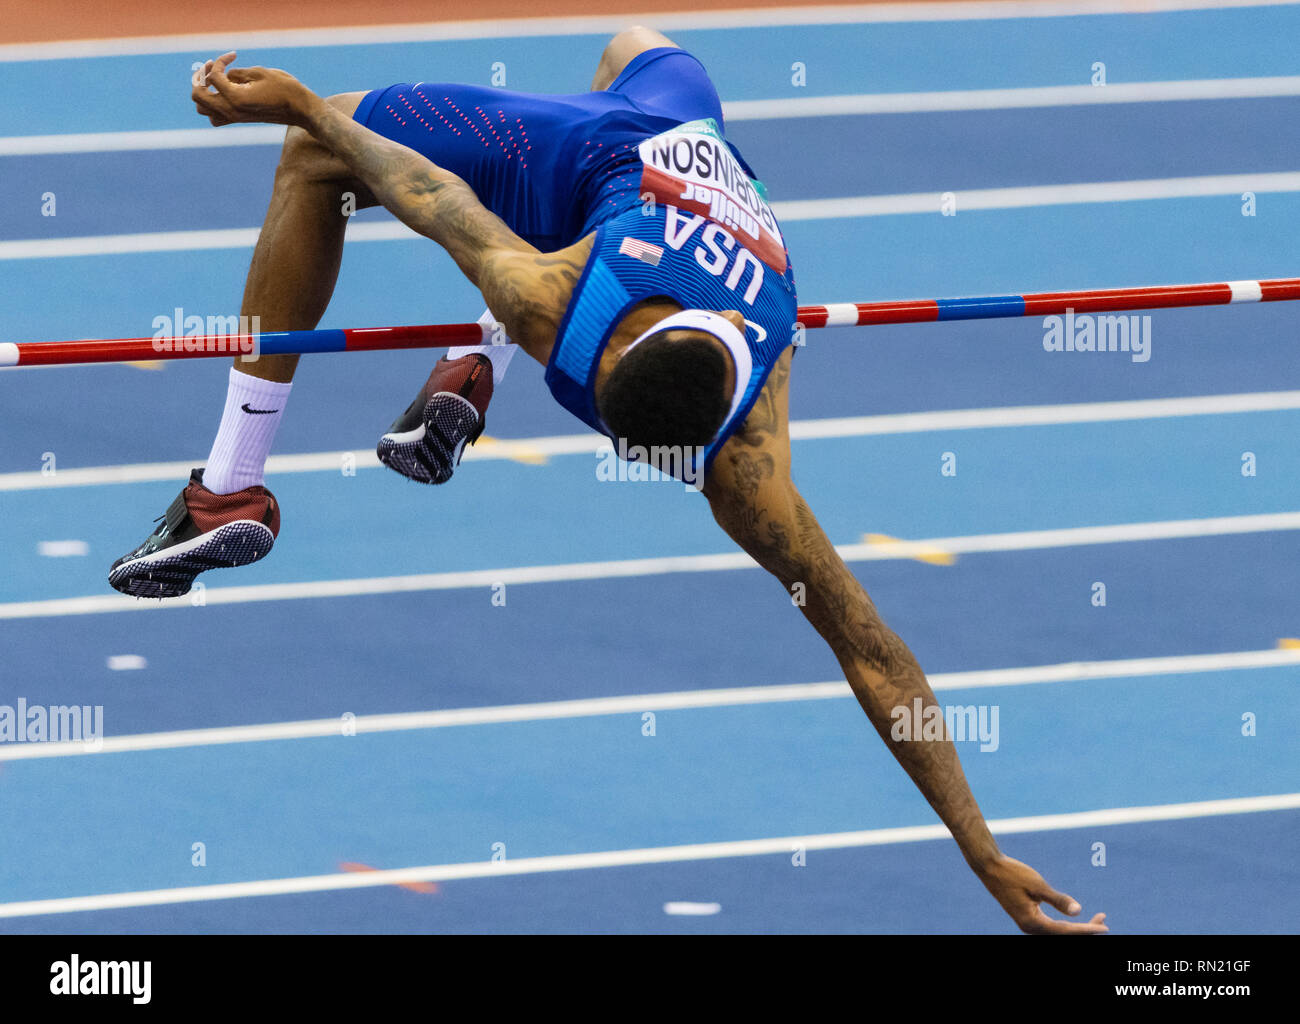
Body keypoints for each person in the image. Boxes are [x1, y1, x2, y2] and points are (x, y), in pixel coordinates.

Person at [110, 31, 1107, 935]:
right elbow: (875, 651)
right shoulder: (584, 321)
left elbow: (876, 661)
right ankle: (469, 368)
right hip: (641, 152)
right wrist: (300, 101)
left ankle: (233, 484)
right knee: (616, 48)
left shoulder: (679, 408)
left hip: (657, 164)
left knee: (323, 160)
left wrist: (311, 112)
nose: (629, 459)